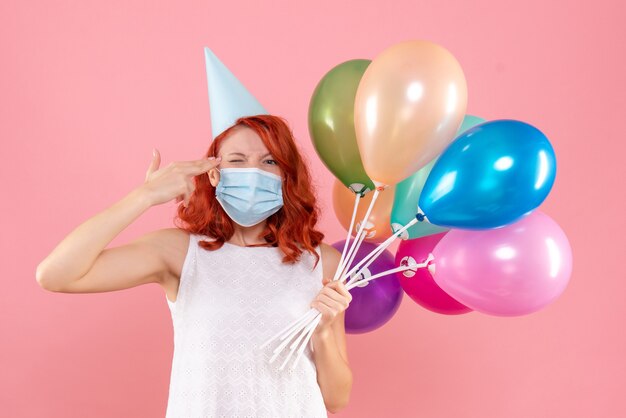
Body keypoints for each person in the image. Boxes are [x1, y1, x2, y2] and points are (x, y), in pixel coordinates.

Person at [36, 114, 353, 417]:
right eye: (237, 160)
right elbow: (56, 274)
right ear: (214, 174)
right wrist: (144, 196)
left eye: (269, 161)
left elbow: (336, 399)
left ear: (285, 176)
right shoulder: (179, 251)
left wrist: (324, 331)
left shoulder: (320, 261)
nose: (252, 172)